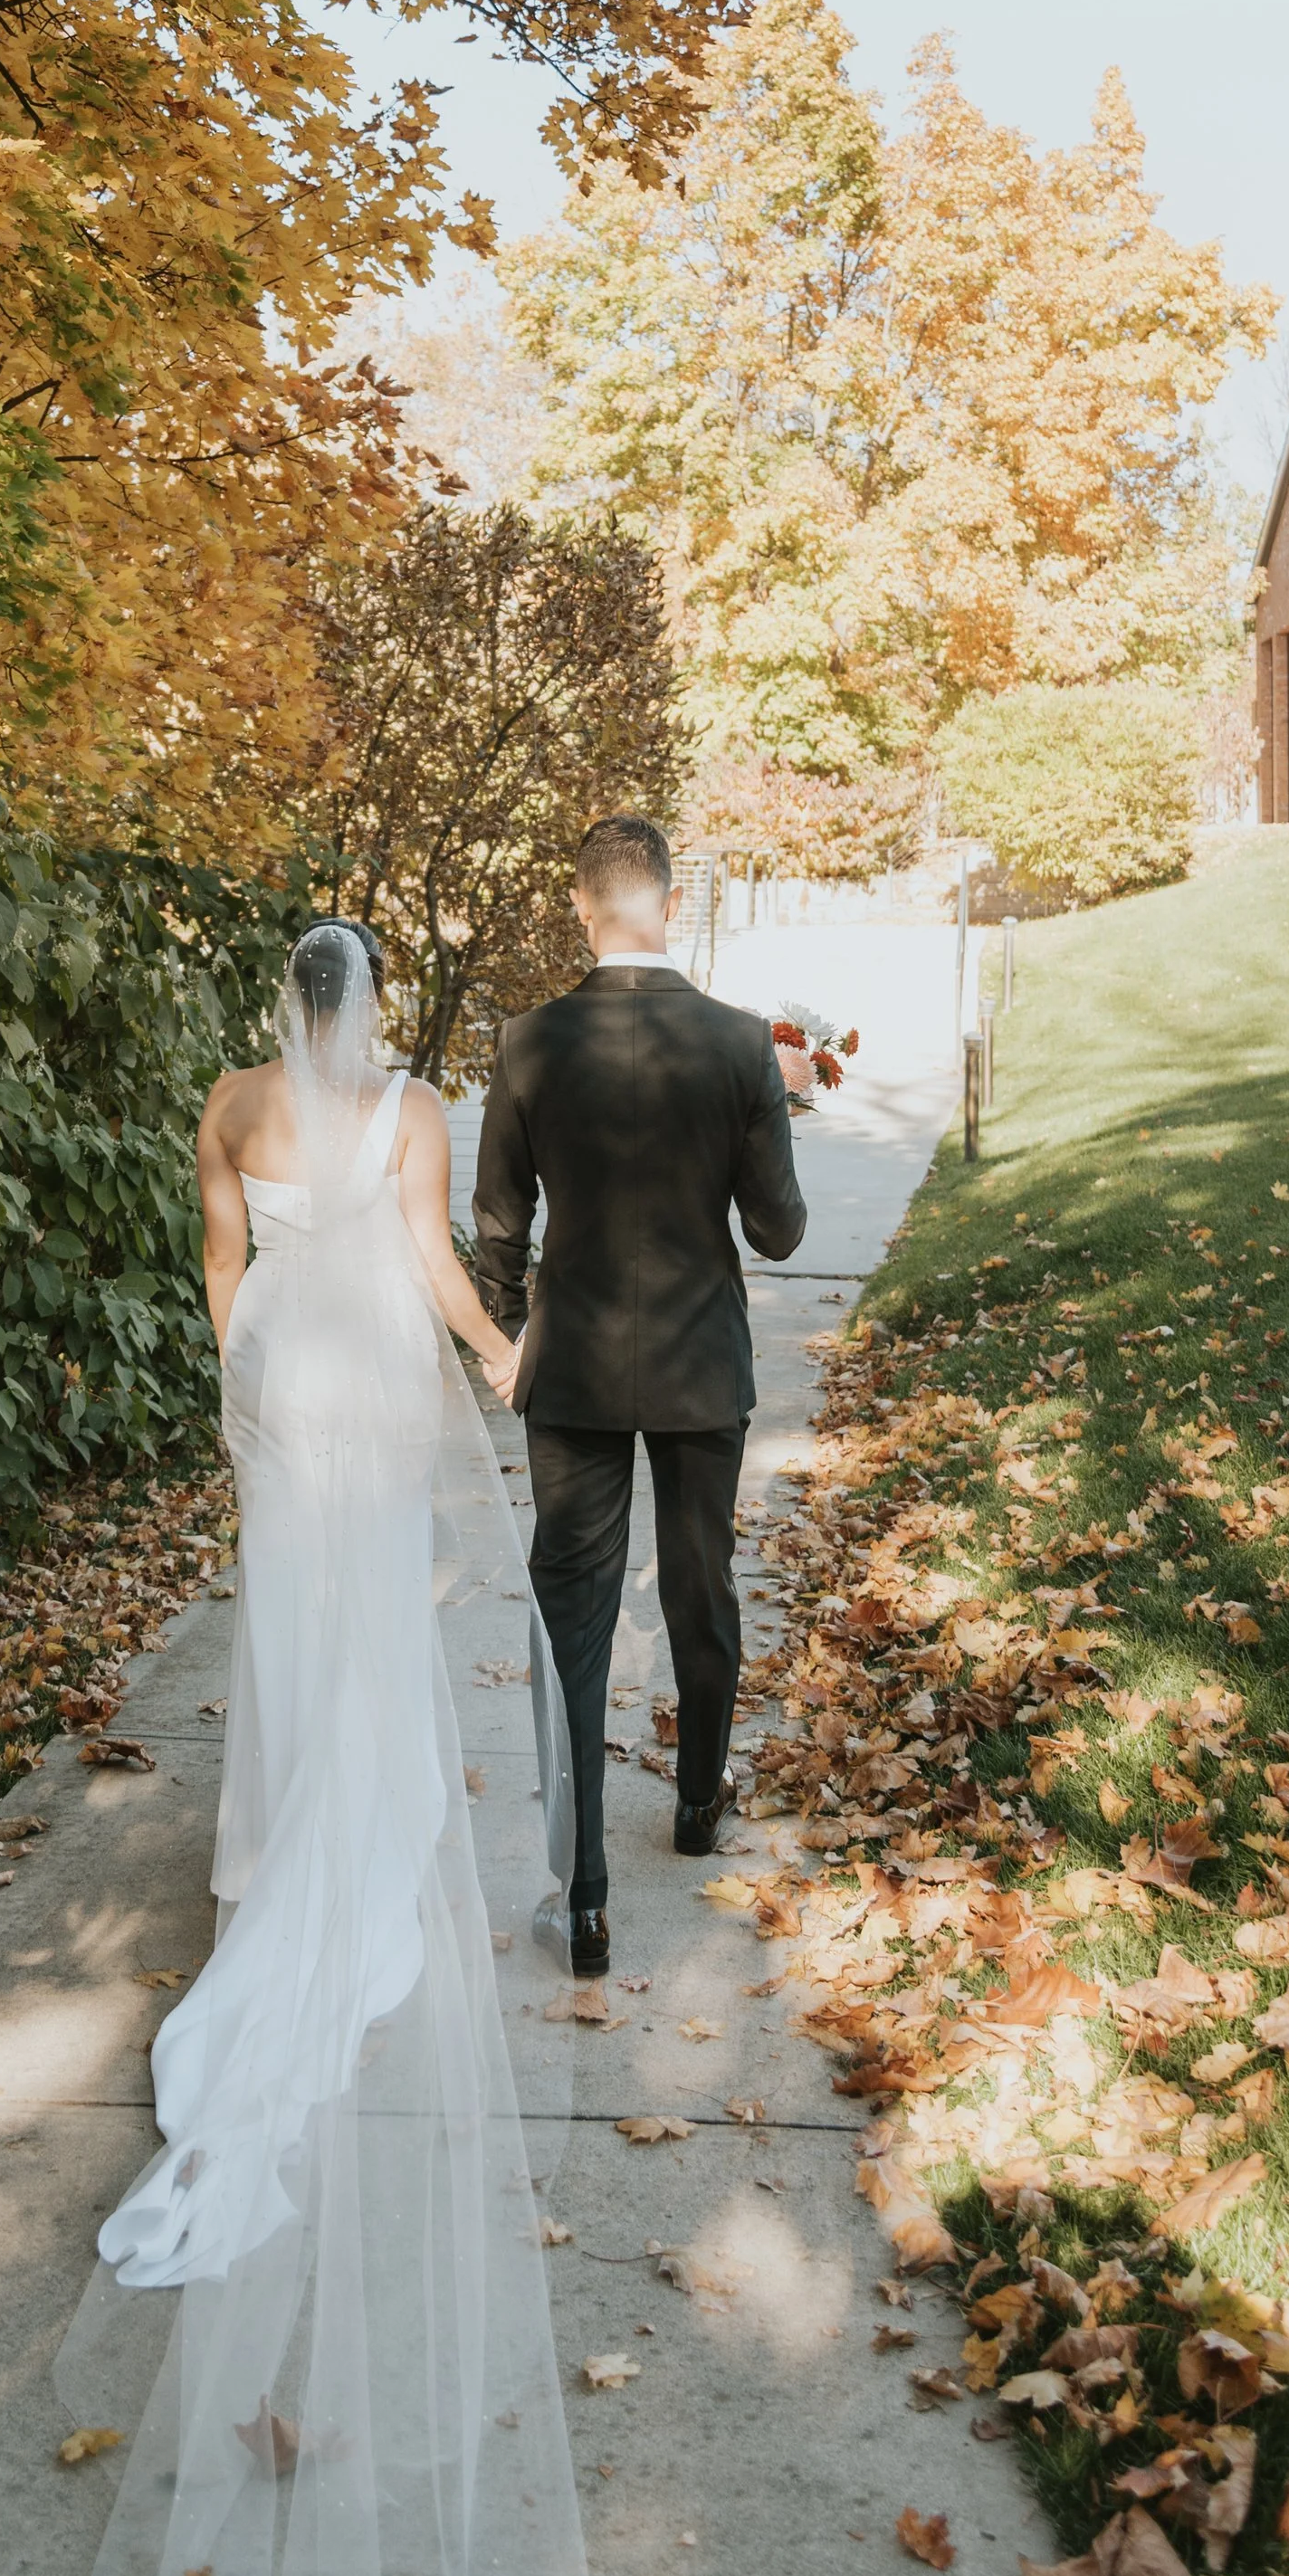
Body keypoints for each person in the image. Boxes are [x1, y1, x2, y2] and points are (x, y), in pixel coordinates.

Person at [56, 919, 596, 2576]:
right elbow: (437, 1267)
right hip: (369, 1375)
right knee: (376, 1610)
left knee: (287, 1615)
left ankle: (288, 1831)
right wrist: (498, 1360)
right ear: (364, 1008)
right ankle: (358, 1844)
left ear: (275, 1004)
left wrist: (243, 1365)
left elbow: (216, 1271)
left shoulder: (226, 1103)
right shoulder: (411, 1109)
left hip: (287, 1374)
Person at [472, 815, 806, 1979]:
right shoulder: (735, 1044)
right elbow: (777, 1229)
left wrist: (509, 1335)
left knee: (575, 1610)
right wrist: (775, 1117)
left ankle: (589, 1897)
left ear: (581, 906)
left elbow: (498, 1225)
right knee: (700, 1585)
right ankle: (700, 1799)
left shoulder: (527, 1040)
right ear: (669, 900)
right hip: (698, 1360)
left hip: (570, 1367)